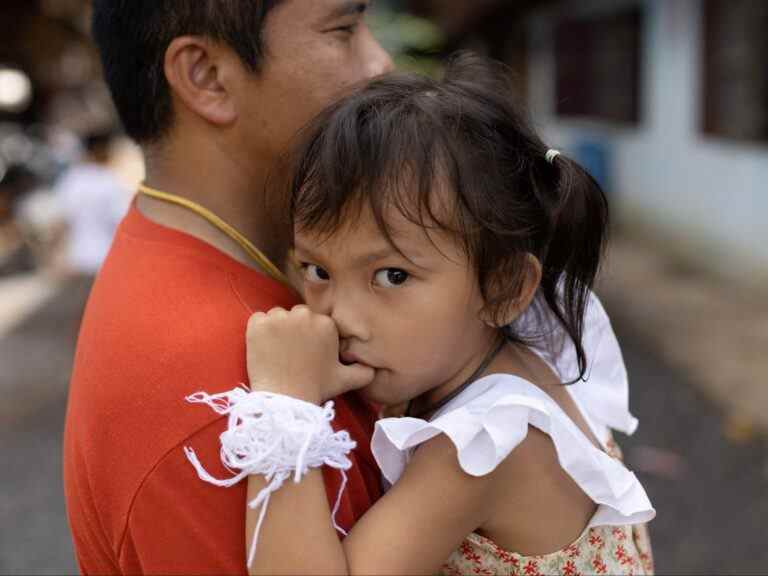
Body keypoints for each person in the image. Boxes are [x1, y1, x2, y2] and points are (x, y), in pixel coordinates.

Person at [189, 54, 656, 574]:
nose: (340, 316)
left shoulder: (485, 444)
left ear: (503, 287)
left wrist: (283, 399)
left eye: (392, 276)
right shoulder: (511, 348)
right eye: (316, 269)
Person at [63, 1, 393, 574]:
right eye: (343, 29)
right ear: (207, 77)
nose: (381, 62)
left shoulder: (217, 267)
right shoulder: (228, 405)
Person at [52, 130, 130, 277]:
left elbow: (61, 221)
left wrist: (58, 255)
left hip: (78, 259)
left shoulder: (71, 179)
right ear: (101, 149)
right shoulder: (108, 180)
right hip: (106, 259)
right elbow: (122, 221)